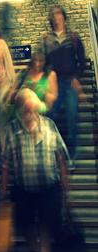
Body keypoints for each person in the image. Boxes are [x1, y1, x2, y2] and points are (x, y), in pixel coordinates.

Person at [0, 88, 69, 252]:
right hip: (23, 190)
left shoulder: (50, 126)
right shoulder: (12, 130)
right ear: (20, 110)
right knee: (27, 227)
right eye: (25, 108)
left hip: (49, 189)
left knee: (46, 230)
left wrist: (65, 185)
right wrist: (3, 192)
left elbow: (61, 156)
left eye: (32, 108)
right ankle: (32, 246)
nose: (30, 112)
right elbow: (6, 164)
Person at [40, 5, 86, 163]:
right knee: (50, 116)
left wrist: (77, 78)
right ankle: (54, 154)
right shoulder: (47, 39)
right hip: (54, 83)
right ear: (51, 19)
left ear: (64, 17)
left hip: (69, 83)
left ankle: (71, 156)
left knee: (71, 119)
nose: (56, 17)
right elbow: (43, 63)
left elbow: (82, 61)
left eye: (59, 14)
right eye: (53, 14)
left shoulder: (73, 37)